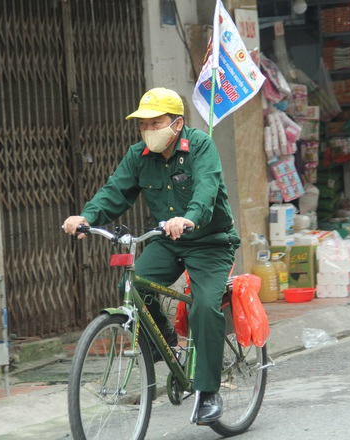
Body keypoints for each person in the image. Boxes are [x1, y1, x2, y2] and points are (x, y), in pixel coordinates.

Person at [62, 87, 240, 422]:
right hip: (167, 240)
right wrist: (87, 217)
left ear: (176, 123)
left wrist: (189, 218)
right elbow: (115, 191)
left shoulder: (200, 145)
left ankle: (208, 392)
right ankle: (167, 342)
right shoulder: (138, 155)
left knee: (204, 306)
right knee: (133, 287)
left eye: (155, 122)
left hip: (210, 241)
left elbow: (206, 188)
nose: (148, 129)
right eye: (143, 123)